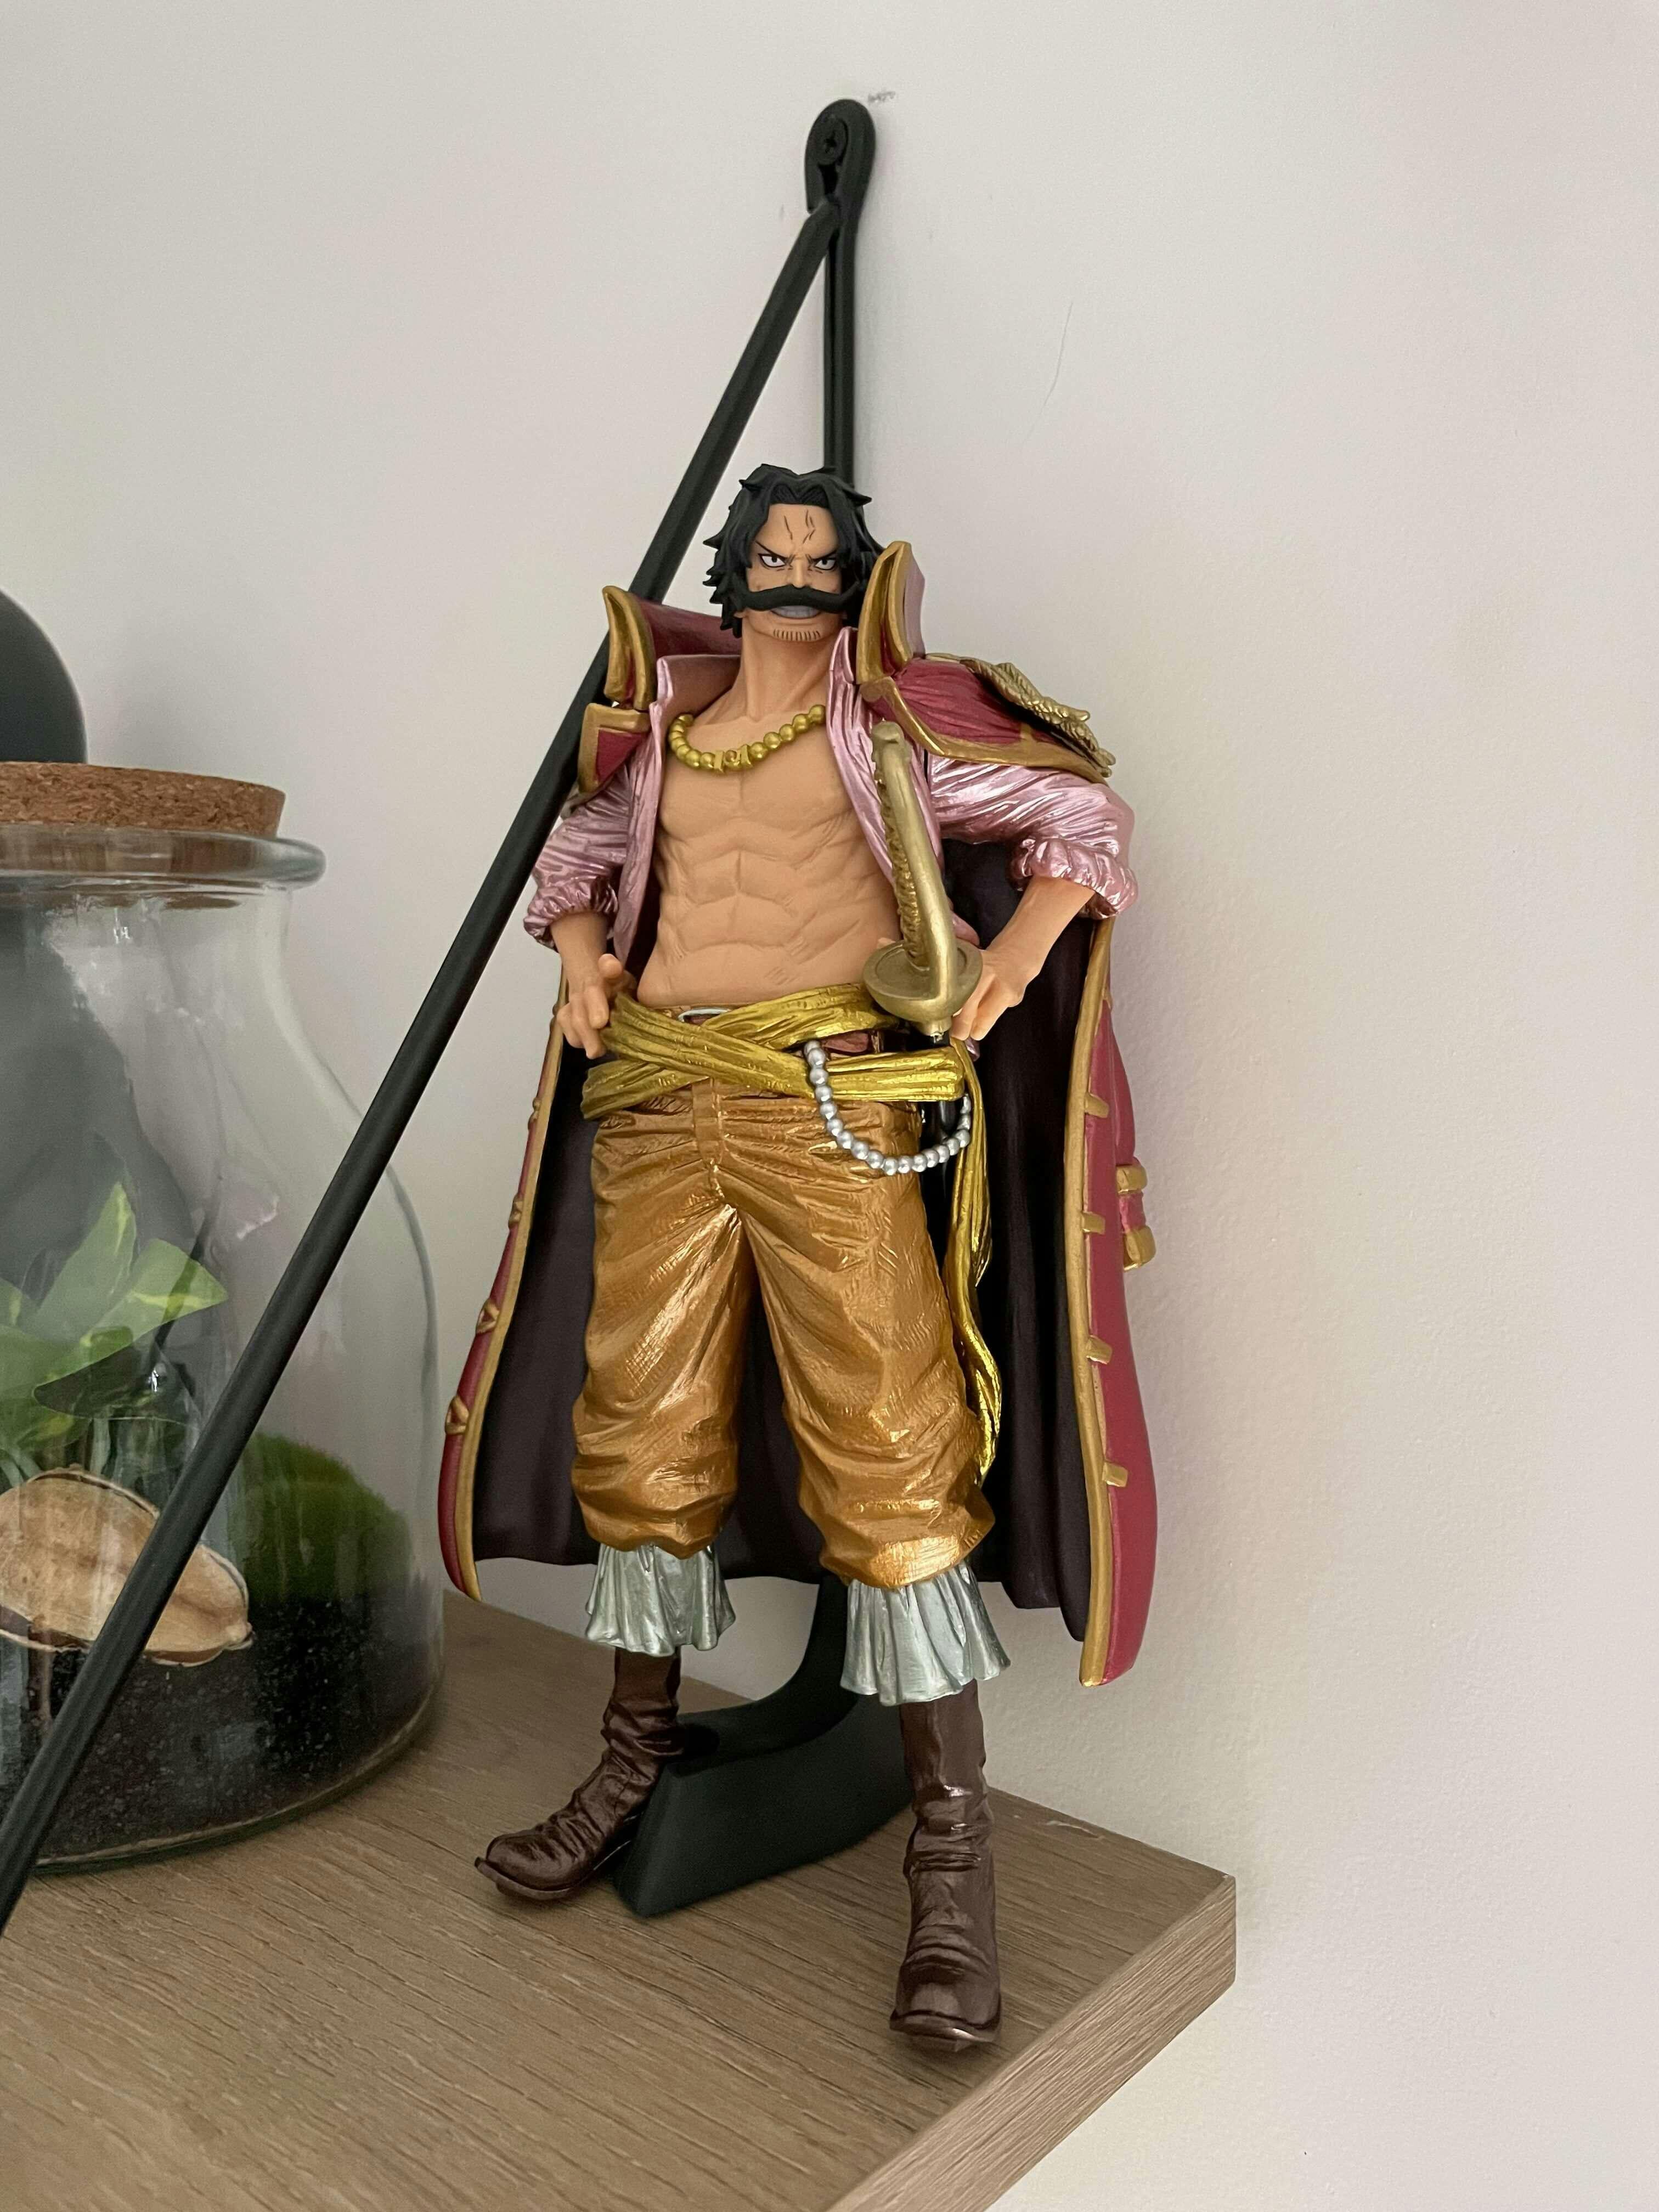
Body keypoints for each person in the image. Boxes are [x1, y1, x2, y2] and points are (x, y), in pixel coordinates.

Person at [441, 465, 1157, 2048]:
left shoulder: (892, 730)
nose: (788, 580)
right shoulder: (668, 732)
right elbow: (570, 864)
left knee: (889, 1444)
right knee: (639, 1433)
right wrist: (581, 965)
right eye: (765, 556)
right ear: (731, 568)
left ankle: (953, 1852)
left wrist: (1010, 963)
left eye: (814, 560)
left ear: (853, 578)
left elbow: (1083, 818)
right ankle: (630, 1763)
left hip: (829, 1101)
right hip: (658, 1099)